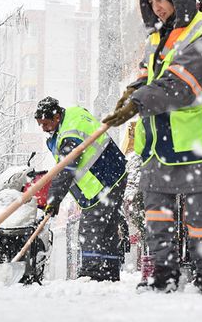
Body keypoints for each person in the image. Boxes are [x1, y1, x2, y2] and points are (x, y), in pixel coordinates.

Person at [102, 0, 202, 294]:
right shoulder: (159, 39)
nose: (157, 7)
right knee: (156, 215)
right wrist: (134, 89)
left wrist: (140, 100)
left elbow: (181, 84)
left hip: (200, 143)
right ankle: (163, 274)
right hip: (159, 144)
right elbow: (153, 78)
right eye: (151, 2)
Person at [35, 97, 128, 281]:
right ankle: (109, 274)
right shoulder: (71, 118)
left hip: (104, 180)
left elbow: (66, 169)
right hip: (114, 175)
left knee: (91, 229)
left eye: (45, 123)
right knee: (107, 229)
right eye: (40, 125)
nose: (43, 128)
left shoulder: (70, 131)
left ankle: (91, 275)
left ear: (56, 116)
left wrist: (53, 201)